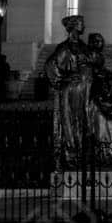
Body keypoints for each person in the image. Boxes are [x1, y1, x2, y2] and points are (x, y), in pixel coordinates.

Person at [41, 14, 95, 169]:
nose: (83, 25)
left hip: (85, 90)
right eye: (80, 23)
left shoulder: (83, 46)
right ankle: (72, 154)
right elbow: (50, 65)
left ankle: (83, 153)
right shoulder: (65, 47)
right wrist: (64, 79)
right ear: (73, 26)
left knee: (84, 120)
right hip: (72, 92)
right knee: (72, 121)